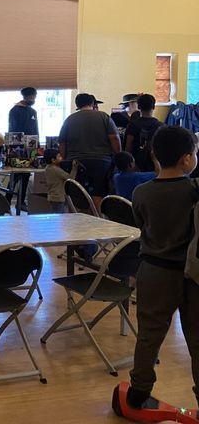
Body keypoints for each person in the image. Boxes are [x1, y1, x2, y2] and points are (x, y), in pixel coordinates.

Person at [126, 126, 199, 412]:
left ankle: (138, 391)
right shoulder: (194, 191)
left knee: (149, 335)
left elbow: (140, 225)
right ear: (186, 159)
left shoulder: (141, 192)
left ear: (154, 155)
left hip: (155, 270)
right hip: (193, 274)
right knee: (197, 339)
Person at [58, 93, 121, 210]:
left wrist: (66, 159)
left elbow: (62, 143)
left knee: (77, 195)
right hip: (101, 162)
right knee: (98, 193)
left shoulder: (69, 120)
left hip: (76, 162)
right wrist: (118, 156)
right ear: (92, 103)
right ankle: (98, 221)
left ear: (77, 105)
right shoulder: (104, 117)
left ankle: (77, 223)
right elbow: (114, 138)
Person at [124, 93, 163, 173]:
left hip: (137, 166)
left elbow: (128, 147)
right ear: (154, 107)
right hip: (156, 166)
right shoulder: (161, 126)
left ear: (138, 107)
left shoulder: (132, 125)